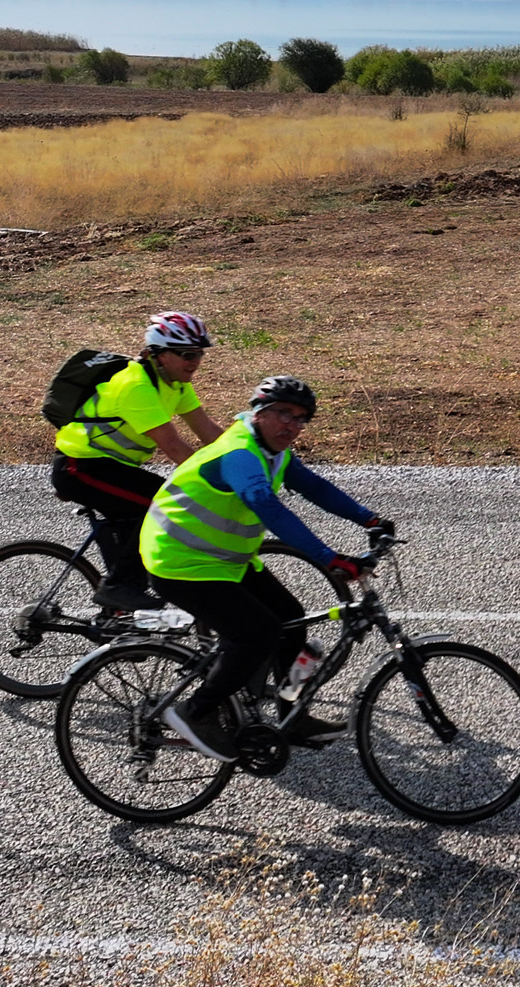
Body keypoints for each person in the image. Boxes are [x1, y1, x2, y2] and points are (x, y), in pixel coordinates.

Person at [144, 374, 392, 763]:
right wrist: (330, 558)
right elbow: (268, 507)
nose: (291, 425)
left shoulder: (274, 452)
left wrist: (370, 519)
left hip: (224, 558)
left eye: (300, 418)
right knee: (257, 634)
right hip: (180, 560)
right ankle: (195, 713)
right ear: (258, 412)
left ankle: (290, 715)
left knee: (291, 620)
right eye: (283, 414)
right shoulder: (239, 452)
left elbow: (315, 488)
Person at [51, 311, 226, 613]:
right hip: (79, 467)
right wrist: (217, 481)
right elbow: (173, 447)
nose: (195, 361)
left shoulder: (175, 384)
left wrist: (251, 457)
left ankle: (121, 616)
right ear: (159, 354)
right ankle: (120, 587)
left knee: (152, 510)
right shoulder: (137, 386)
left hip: (111, 467)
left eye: (199, 353)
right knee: (163, 504)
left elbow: (209, 431)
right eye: (186, 354)